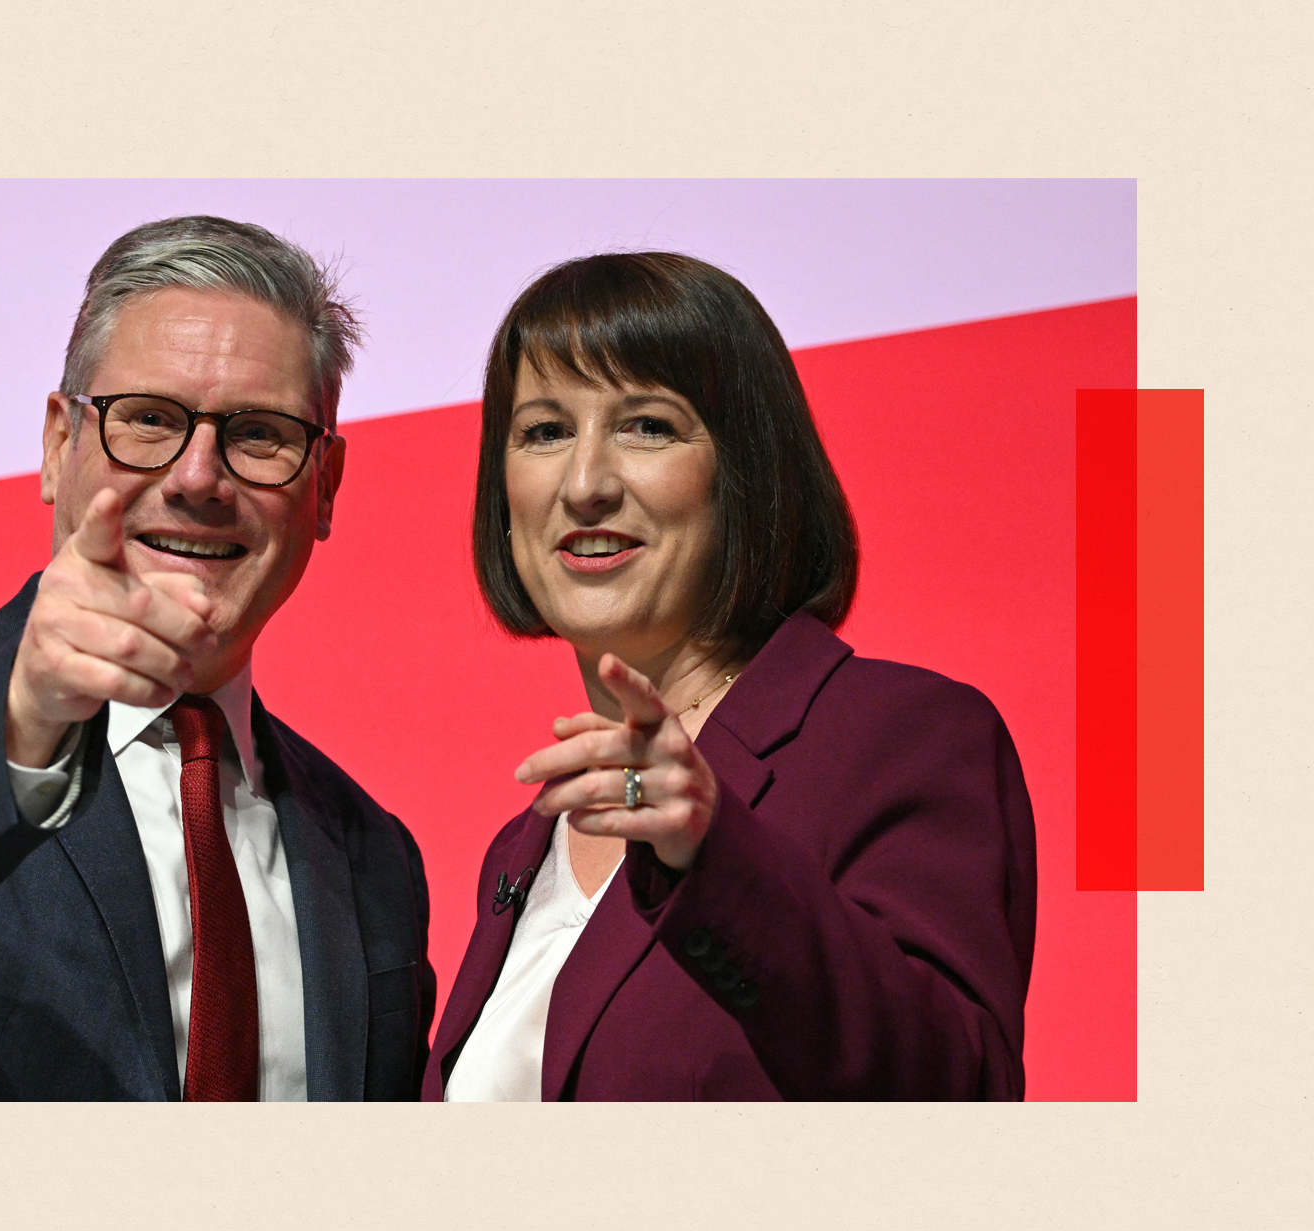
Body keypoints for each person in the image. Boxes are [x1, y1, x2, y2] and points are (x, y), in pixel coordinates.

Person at [0, 215, 436, 1101]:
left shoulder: (373, 857)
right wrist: (24, 719)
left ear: (324, 485)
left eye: (258, 435)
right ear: (59, 445)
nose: (198, 477)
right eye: (147, 420)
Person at [425, 252, 1037, 1101]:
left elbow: (954, 1090)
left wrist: (714, 856)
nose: (584, 484)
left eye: (647, 426)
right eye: (544, 431)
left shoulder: (904, 737)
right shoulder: (526, 843)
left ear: (746, 472)